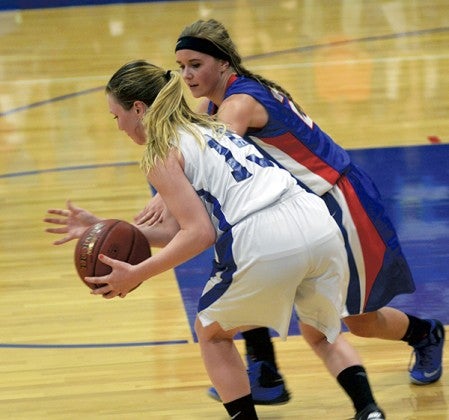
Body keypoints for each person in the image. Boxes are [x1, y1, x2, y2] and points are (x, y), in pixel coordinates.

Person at [44, 60, 385, 420]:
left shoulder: (159, 153)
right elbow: (179, 230)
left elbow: (200, 235)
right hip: (315, 222)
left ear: (139, 109)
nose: (118, 127)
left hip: (261, 236)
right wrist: (104, 227)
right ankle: (370, 411)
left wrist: (138, 273)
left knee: (210, 332)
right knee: (322, 334)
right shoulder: (209, 124)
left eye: (116, 116)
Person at [136, 18, 445, 405]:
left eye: (195, 65)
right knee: (244, 271)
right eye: (181, 67)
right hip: (300, 207)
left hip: (338, 201)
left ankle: (424, 333)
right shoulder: (217, 101)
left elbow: (207, 157)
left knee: (358, 321)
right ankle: (264, 372)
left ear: (224, 63)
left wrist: (163, 193)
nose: (186, 75)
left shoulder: (238, 104)